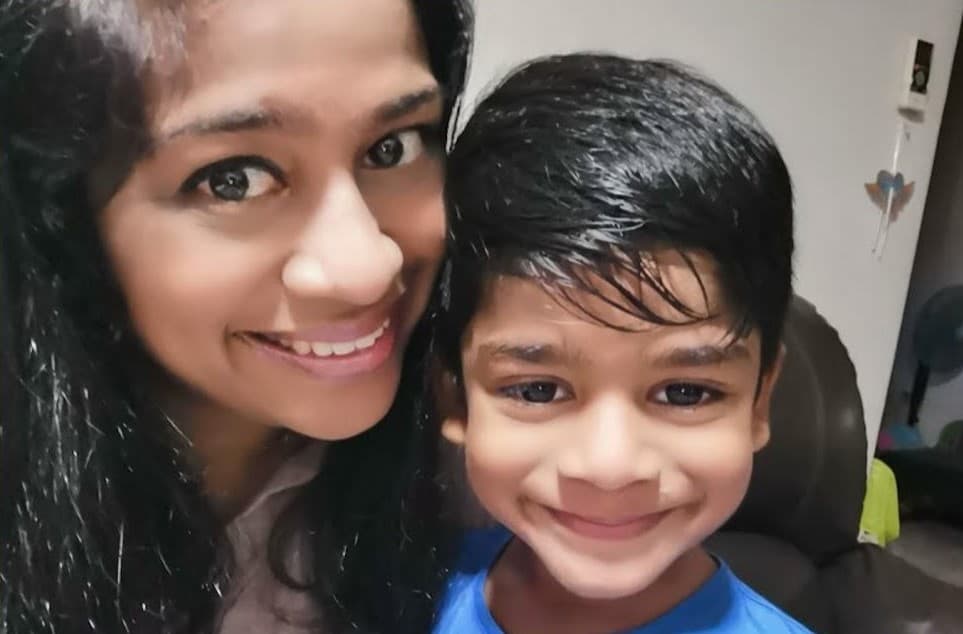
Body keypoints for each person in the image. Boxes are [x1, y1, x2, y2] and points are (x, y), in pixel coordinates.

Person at [0, 1, 471, 632]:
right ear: (62, 216)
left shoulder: (505, 484)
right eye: (234, 180)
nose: (366, 267)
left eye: (393, 148)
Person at [433, 54, 811, 633]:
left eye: (685, 393)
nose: (610, 468)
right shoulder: (401, 592)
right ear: (455, 397)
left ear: (760, 401)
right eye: (537, 390)